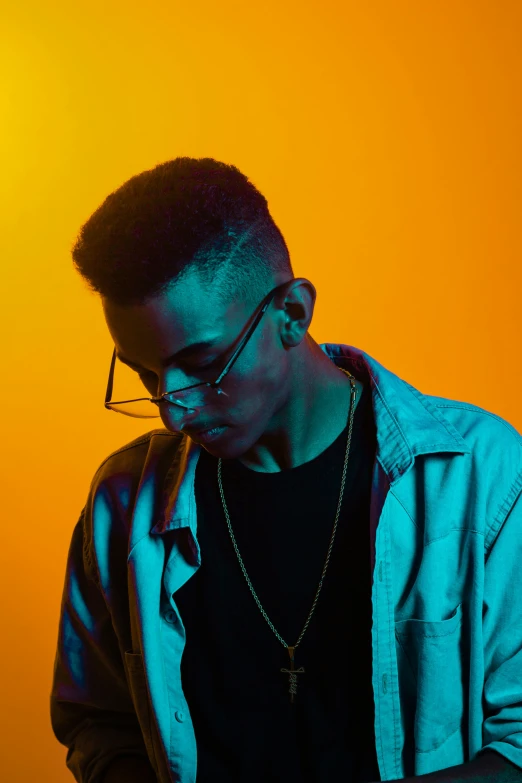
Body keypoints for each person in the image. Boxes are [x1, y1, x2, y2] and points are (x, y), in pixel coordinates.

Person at [50, 157, 522, 783]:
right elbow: (98, 724)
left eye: (204, 363)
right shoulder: (121, 503)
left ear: (293, 314)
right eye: (145, 374)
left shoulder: (479, 475)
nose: (173, 409)